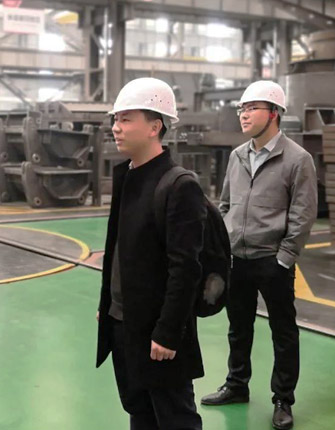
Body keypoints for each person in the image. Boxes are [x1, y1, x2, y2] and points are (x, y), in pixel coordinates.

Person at [200, 80, 317, 430]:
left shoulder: (298, 159)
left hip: (273, 260)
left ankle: (283, 399)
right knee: (238, 328)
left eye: (252, 108)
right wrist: (225, 244)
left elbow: (303, 214)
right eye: (242, 108)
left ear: (274, 113)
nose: (244, 114)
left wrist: (284, 257)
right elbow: (224, 204)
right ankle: (237, 385)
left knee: (283, 332)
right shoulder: (237, 156)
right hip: (237, 258)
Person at [96, 77, 207, 430]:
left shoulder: (178, 185)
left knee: (175, 418)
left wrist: (168, 331)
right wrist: (108, 305)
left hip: (158, 332)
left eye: (126, 119)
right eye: (116, 119)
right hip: (123, 322)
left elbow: (185, 269)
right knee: (139, 413)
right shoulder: (128, 176)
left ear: (155, 127)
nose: (116, 127)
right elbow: (119, 251)